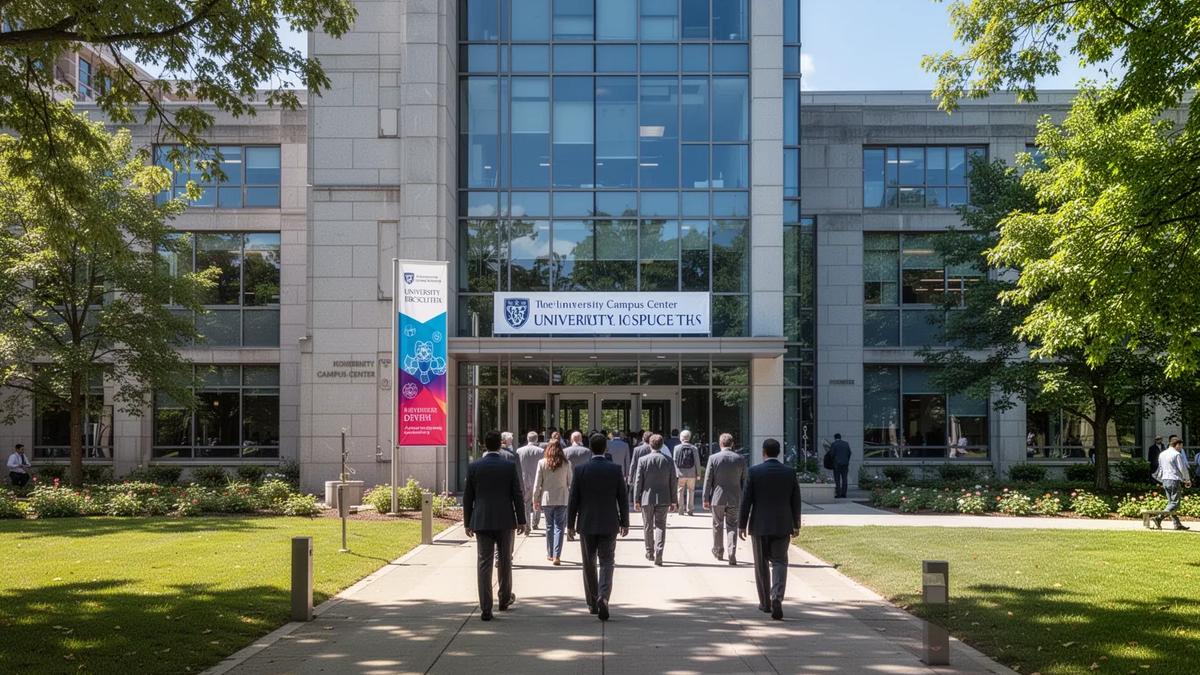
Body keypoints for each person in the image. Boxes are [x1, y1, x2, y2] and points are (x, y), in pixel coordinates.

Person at [462, 430, 528, 621]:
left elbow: (468, 496)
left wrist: (467, 522)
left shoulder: (474, 466)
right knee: (505, 560)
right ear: (501, 444)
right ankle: (504, 598)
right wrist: (521, 520)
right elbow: (517, 493)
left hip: (481, 520)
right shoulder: (508, 466)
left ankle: (485, 607)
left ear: (484, 444)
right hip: (505, 519)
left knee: (484, 562)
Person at [567, 433, 630, 621]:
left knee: (588, 562)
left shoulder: (580, 470)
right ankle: (603, 596)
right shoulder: (615, 469)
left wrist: (570, 524)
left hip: (586, 523)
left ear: (590, 448)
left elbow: (573, 500)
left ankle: (593, 602)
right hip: (609, 522)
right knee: (607, 561)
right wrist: (624, 522)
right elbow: (622, 498)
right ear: (606, 449)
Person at [739, 438, 802, 620]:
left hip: (760, 525)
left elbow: (746, 500)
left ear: (763, 452)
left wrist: (742, 524)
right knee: (780, 561)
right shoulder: (790, 472)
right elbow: (795, 500)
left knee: (761, 564)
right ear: (779, 452)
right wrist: (796, 524)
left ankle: (765, 603)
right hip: (783, 524)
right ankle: (777, 596)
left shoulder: (754, 472)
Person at [702, 433, 746, 565]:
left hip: (718, 497)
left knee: (717, 525)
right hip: (735, 498)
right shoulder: (740, 459)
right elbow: (745, 481)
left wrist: (705, 498)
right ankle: (732, 552)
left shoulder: (713, 458)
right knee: (732, 525)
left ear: (720, 444)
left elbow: (708, 479)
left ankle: (718, 551)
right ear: (732, 444)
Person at [633, 434, 676, 566]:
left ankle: (649, 551)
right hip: (664, 497)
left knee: (648, 525)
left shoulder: (643, 460)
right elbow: (673, 482)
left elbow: (638, 481)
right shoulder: (669, 460)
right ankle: (659, 552)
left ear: (650, 445)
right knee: (661, 525)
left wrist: (636, 499)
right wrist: (674, 500)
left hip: (647, 497)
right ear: (662, 445)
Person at [533, 439, 572, 564]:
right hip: (562, 498)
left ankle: (550, 553)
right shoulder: (566, 464)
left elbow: (537, 484)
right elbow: (570, 482)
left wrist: (535, 499)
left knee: (549, 526)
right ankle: (557, 555)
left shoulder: (542, 463)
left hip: (547, 498)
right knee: (559, 527)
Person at [1152, 438, 1192, 531]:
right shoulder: (1177, 454)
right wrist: (1187, 479)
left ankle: (1177, 524)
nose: (1182, 447)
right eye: (1181, 445)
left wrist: (1160, 479)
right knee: (1175, 503)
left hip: (1165, 480)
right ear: (1177, 444)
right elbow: (1182, 468)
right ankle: (1158, 518)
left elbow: (1160, 468)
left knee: (1171, 503)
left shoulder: (1162, 454)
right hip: (1174, 480)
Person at [516, 431, 545, 530]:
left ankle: (526, 524)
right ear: (536, 439)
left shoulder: (519, 451)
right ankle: (535, 523)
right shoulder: (541, 451)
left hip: (524, 480)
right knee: (537, 501)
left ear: (527, 439)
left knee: (526, 503)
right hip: (537, 480)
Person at [673, 430, 700, 515]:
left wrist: (674, 473)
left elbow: (674, 461)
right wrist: (698, 473)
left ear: (681, 438)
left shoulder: (676, 448)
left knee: (680, 490)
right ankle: (690, 509)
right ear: (689, 438)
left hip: (680, 473)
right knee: (691, 490)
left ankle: (681, 510)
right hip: (691, 473)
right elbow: (697, 462)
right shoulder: (694, 448)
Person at [829, 433, 852, 499]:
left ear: (835, 438)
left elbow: (832, 454)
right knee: (844, 478)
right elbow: (849, 453)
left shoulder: (834, 444)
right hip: (845, 463)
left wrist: (833, 461)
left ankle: (838, 493)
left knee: (837, 478)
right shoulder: (846, 444)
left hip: (837, 463)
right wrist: (846, 459)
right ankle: (844, 493)